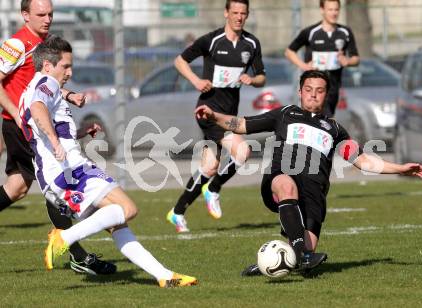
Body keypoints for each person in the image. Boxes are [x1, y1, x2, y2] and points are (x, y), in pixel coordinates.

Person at [195, 70, 422, 276]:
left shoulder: (335, 130)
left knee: (304, 257)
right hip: (281, 178)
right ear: (300, 92)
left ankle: (274, 262)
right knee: (287, 185)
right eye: (308, 89)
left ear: (326, 94)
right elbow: (242, 124)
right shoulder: (285, 114)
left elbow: (363, 160)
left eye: (319, 90)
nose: (313, 94)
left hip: (314, 193)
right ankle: (300, 253)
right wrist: (215, 116)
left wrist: (401, 169)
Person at [21, 36, 197, 288]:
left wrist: (77, 134)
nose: (70, 73)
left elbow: (40, 125)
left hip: (59, 174)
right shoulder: (46, 82)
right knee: (127, 209)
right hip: (71, 170)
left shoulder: (33, 87)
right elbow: (38, 110)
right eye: (65, 66)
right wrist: (57, 142)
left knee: (118, 223)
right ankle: (64, 237)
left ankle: (165, 276)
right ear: (47, 66)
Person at [0, 0, 115, 275]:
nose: (48, 18)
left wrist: (69, 95)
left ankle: (76, 246)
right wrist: (17, 113)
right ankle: (77, 253)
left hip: (34, 125)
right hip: (23, 126)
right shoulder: (17, 45)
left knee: (17, 187)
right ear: (25, 15)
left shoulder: (47, 45)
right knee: (58, 188)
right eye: (41, 14)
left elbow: (42, 86)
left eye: (50, 13)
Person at [167, 0, 266, 233]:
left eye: (243, 13)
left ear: (247, 15)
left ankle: (178, 212)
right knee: (243, 151)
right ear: (226, 13)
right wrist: (196, 81)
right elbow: (179, 61)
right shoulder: (211, 40)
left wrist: (252, 80)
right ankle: (214, 189)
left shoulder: (251, 44)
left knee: (210, 166)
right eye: (235, 13)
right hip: (208, 111)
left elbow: (262, 76)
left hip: (228, 114)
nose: (239, 17)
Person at [285, 0, 359, 117]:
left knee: (327, 119)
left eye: (336, 9)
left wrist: (347, 61)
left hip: (333, 87)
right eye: (330, 9)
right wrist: (304, 65)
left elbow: (356, 58)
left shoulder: (345, 32)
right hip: (313, 86)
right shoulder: (311, 32)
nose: (334, 13)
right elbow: (289, 52)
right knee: (315, 119)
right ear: (322, 10)